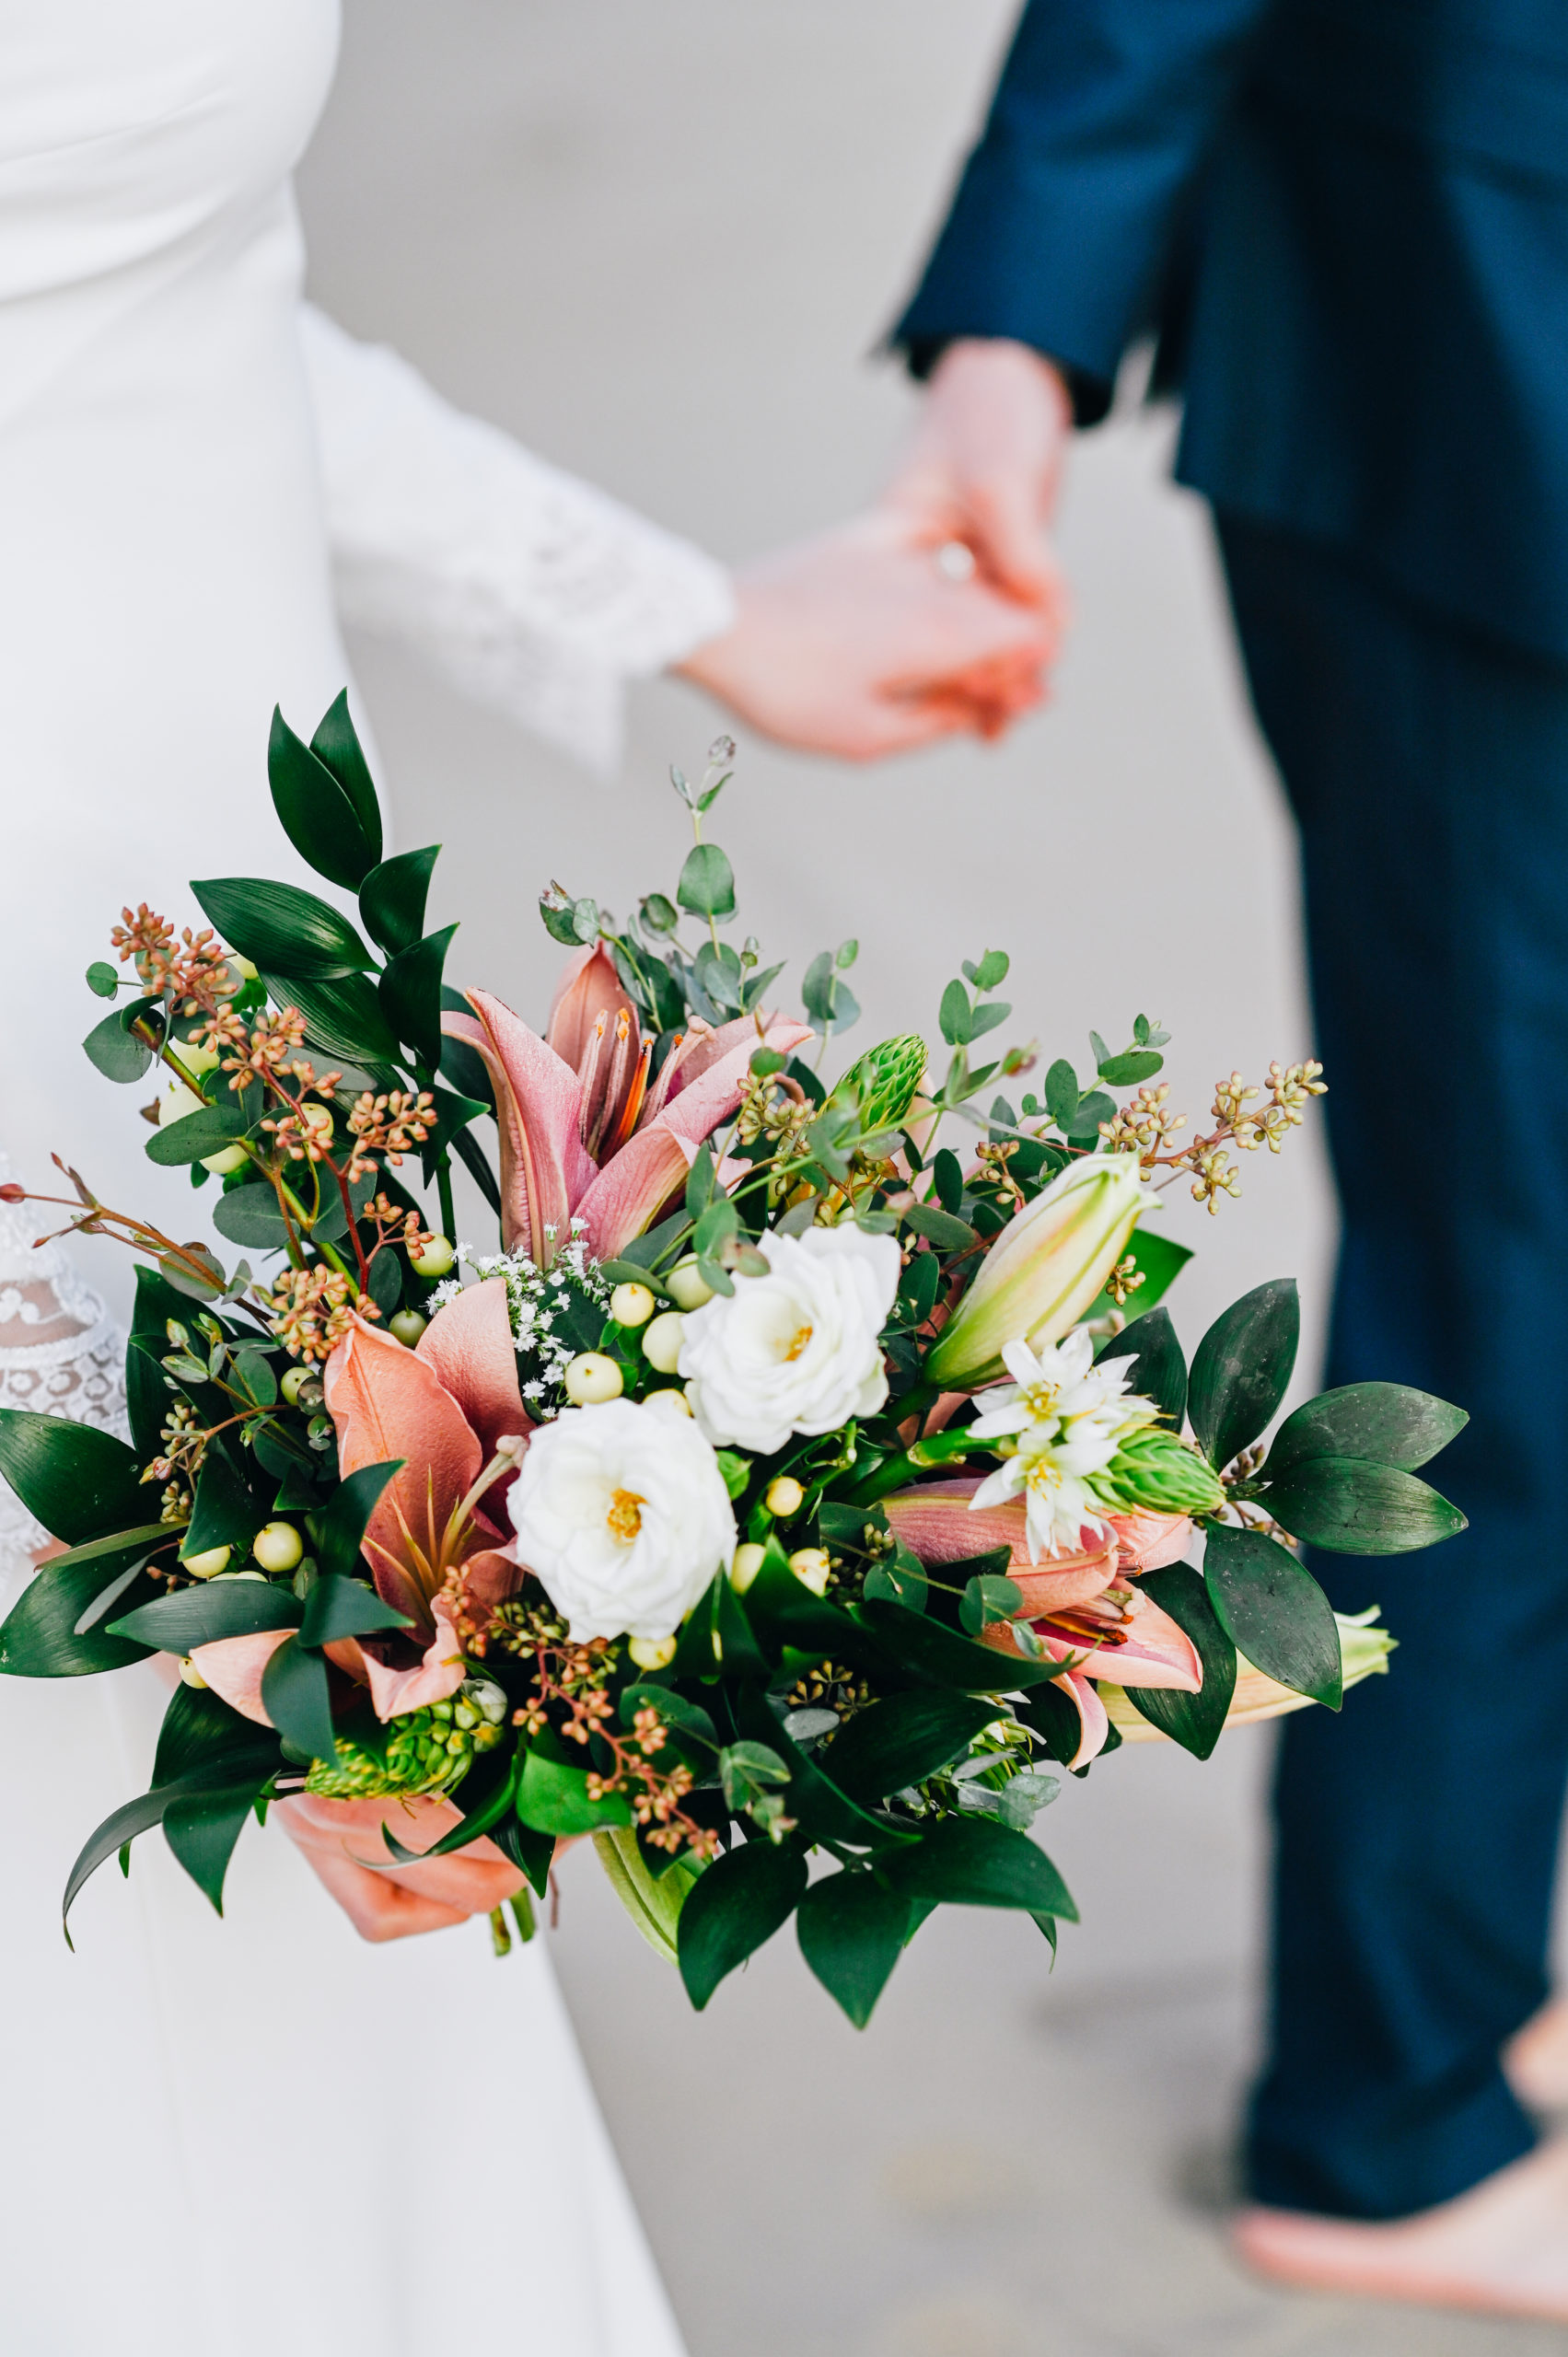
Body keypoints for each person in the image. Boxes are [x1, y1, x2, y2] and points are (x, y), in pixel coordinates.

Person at [0, 6, 1054, 2354]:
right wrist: (86, 1339)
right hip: (55, 1135)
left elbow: (158, 258)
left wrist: (662, 604)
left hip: (240, 1025)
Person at [884, 0, 1568, 2320]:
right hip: (1489, 373)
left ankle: (1473, 1962)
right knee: (1506, 1287)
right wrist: (1018, 334)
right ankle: (1382, 2116)